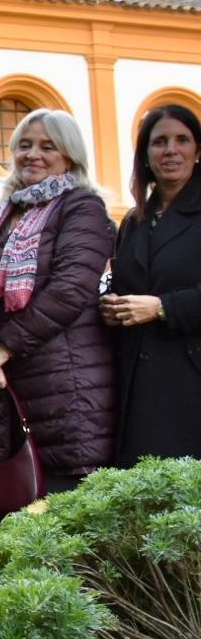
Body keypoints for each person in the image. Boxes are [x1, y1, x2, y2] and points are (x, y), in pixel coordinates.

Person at [0, 109, 115, 512]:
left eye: (48, 147)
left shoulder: (82, 207)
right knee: (6, 507)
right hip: (0, 383)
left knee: (66, 510)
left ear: (69, 156)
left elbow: (71, 289)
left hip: (64, 381)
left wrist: (3, 350)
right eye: (25, 145)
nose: (33, 154)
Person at [102, 103, 201, 466]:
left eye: (182, 140)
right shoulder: (133, 221)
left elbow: (155, 302)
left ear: (197, 150)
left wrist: (162, 308)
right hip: (137, 385)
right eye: (159, 142)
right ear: (145, 155)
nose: (170, 150)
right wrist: (111, 305)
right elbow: (123, 281)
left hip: (190, 383)